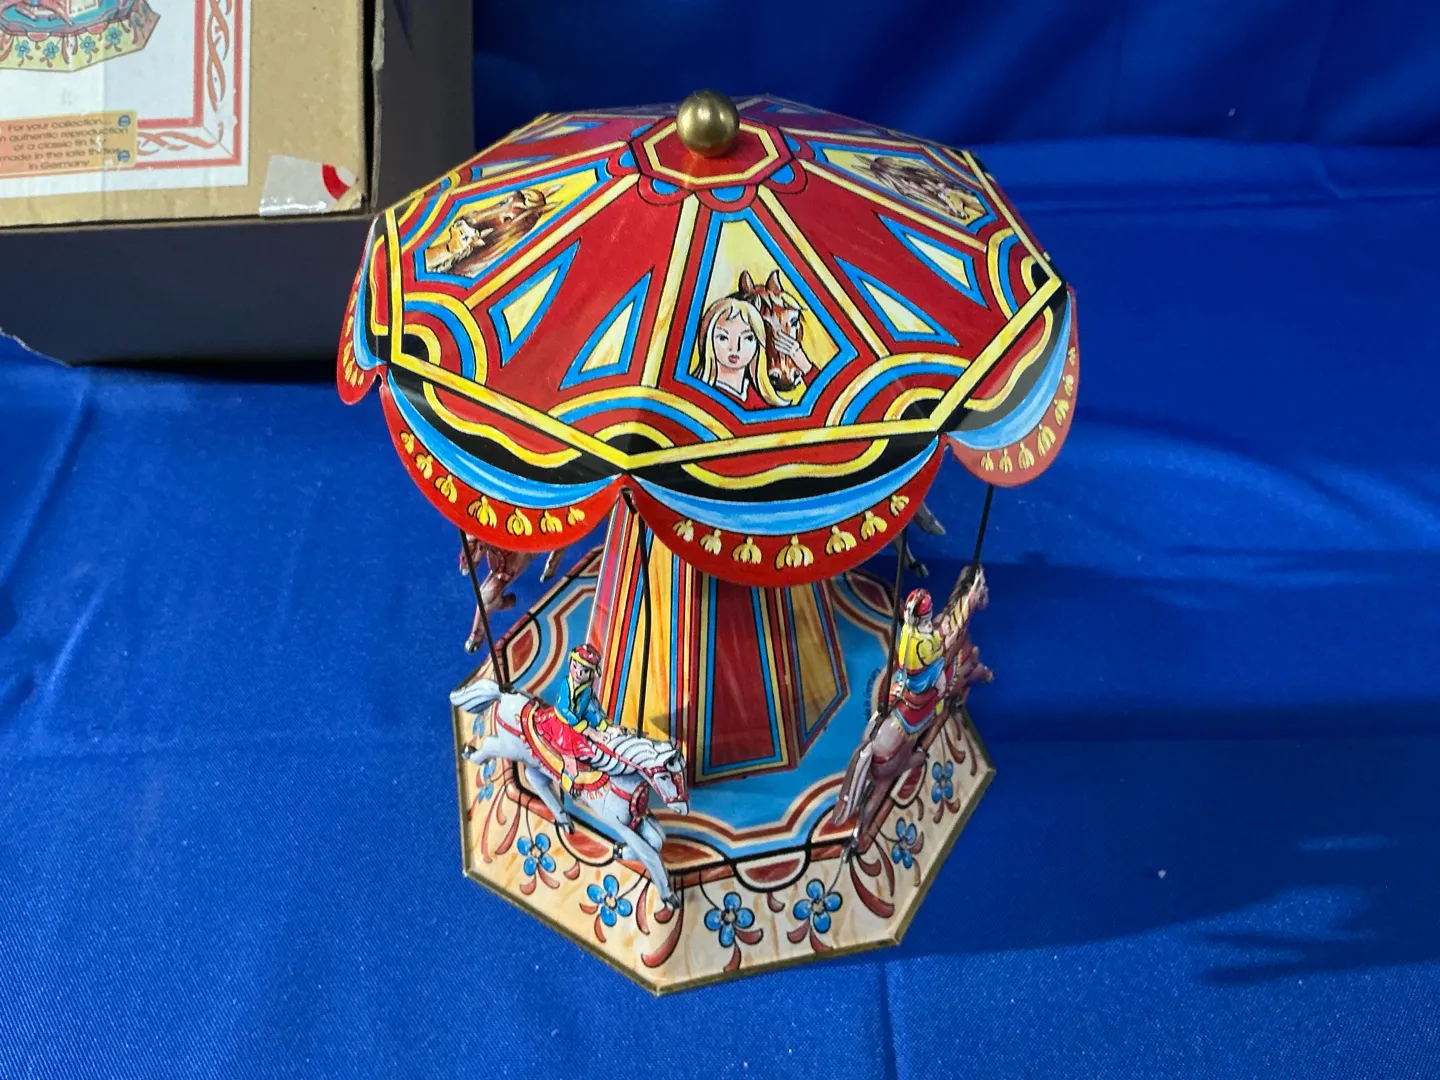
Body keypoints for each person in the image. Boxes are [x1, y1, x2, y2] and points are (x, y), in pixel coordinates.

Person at [693, 294, 778, 408]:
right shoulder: (699, 397)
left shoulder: (761, 399)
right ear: (708, 339)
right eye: (723, 338)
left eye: (748, 338)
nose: (735, 348)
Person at [888, 589, 949, 734]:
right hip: (919, 679)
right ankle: (939, 703)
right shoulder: (923, 642)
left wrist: (938, 634)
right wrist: (944, 644)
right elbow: (932, 656)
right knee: (942, 680)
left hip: (904, 673)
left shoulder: (906, 629)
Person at [551, 643, 610, 781]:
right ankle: (568, 779)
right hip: (564, 722)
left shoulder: (587, 690)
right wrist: (587, 729)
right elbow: (564, 709)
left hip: (579, 723)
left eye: (585, 671)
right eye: (575, 666)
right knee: (570, 751)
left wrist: (603, 726)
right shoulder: (566, 684)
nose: (578, 673)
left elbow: (590, 709)